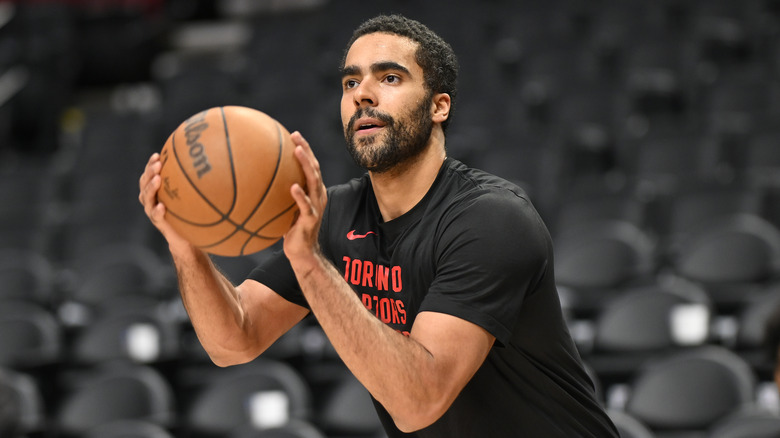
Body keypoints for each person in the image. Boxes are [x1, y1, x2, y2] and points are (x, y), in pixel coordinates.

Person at [139, 14, 619, 437]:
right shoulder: (334, 216)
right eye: (350, 83)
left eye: (389, 77)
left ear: (439, 107)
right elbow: (233, 341)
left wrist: (308, 262)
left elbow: (420, 402)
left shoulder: (491, 219)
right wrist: (186, 244)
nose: (362, 94)